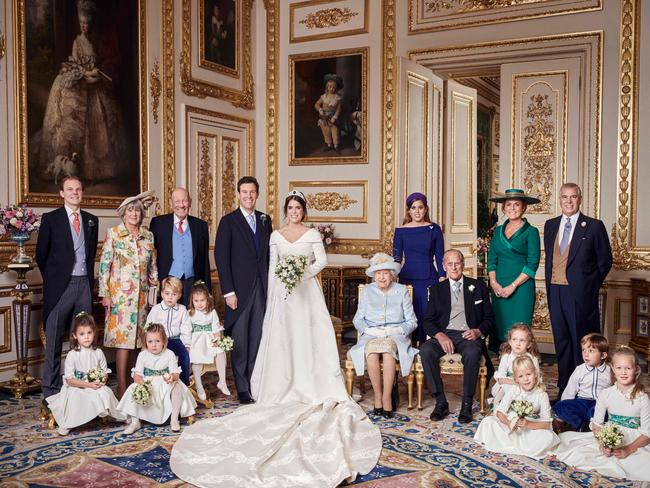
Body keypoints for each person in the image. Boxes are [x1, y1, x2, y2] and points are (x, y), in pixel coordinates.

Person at [170, 190, 381, 487]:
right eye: (290, 207)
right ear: (286, 210)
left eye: (298, 208)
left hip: (306, 294)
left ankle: (310, 382)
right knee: (283, 340)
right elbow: (271, 268)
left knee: (308, 339)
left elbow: (321, 261)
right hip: (283, 296)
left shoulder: (311, 234)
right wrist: (274, 295)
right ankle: (282, 382)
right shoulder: (276, 234)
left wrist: (302, 272)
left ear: (303, 211)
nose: (294, 211)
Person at [31, 0, 127, 183]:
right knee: (74, 122)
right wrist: (87, 73)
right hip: (82, 82)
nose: (84, 26)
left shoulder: (92, 41)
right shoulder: (78, 41)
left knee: (99, 122)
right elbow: (76, 64)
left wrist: (96, 73)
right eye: (82, 23)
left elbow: (95, 63)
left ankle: (97, 169)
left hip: (94, 85)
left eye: (87, 24)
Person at [544, 183, 612, 393]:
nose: (569, 201)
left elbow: (605, 261)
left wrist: (588, 286)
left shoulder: (593, 226)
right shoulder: (550, 225)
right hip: (555, 291)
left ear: (580, 199)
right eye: (565, 197)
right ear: (560, 199)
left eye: (573, 197)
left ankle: (584, 390)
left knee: (581, 342)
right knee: (562, 341)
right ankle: (565, 389)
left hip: (580, 294)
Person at [36, 176, 99, 400]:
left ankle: (82, 391)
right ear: (61, 193)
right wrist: (55, 280)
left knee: (84, 340)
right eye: (69, 189)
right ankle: (50, 394)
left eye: (78, 189)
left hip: (84, 284)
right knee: (53, 340)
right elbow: (41, 255)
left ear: (82, 192)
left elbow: (90, 255)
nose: (74, 193)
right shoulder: (51, 219)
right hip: (60, 287)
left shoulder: (92, 220)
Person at [214, 176, 272, 404]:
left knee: (257, 338)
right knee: (239, 340)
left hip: (262, 287)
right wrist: (228, 292)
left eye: (252, 192)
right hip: (238, 291)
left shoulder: (265, 220)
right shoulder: (228, 222)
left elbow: (269, 255)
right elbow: (221, 257)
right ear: (238, 194)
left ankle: (254, 383)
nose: (248, 196)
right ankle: (242, 389)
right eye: (244, 192)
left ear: (257, 194)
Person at [420, 249, 495, 424]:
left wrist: (477, 331)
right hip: (445, 334)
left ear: (463, 265)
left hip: (468, 335)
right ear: (444, 267)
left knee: (471, 353)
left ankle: (467, 404)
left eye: (457, 263)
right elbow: (428, 321)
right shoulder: (436, 289)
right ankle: (440, 402)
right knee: (425, 350)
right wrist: (440, 336)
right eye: (450, 264)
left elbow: (490, 319)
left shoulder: (478, 287)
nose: (454, 267)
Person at [554, 346, 650, 481]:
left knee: (641, 465)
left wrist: (629, 449)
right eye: (619, 368)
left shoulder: (642, 397)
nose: (623, 372)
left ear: (636, 370)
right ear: (613, 369)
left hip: (634, 438)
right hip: (609, 434)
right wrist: (602, 443)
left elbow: (647, 433)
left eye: (628, 368)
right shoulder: (606, 394)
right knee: (578, 453)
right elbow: (597, 424)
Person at [99, 190, 158, 397]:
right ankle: (122, 386)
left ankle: (134, 383)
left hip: (142, 298)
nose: (134, 214)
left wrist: (153, 296)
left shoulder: (148, 235)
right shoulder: (114, 233)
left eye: (138, 211)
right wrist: (105, 294)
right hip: (120, 298)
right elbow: (104, 266)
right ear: (124, 213)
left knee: (137, 342)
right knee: (123, 342)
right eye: (130, 211)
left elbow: (153, 269)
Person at [350, 252, 418, 418]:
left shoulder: (401, 291)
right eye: (378, 273)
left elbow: (412, 321)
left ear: (392, 275)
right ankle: (378, 397)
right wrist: (370, 331)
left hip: (395, 335)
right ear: (374, 276)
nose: (382, 277)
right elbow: (358, 320)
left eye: (385, 273)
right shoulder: (367, 291)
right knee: (372, 353)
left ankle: (387, 397)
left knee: (388, 353)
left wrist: (394, 331)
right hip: (372, 334)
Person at [46, 312, 125, 436]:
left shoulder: (98, 352)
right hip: (77, 385)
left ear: (94, 333)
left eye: (89, 333)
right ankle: (67, 423)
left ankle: (117, 416)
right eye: (82, 334)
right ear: (75, 335)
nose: (86, 337)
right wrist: (88, 385)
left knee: (105, 392)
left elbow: (105, 372)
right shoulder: (72, 355)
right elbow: (70, 380)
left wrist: (101, 381)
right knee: (75, 396)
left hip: (94, 384)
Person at [474, 354, 559, 459]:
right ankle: (513, 444)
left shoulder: (541, 394)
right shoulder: (514, 390)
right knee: (488, 422)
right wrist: (509, 423)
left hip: (530, 427)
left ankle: (515, 445)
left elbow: (546, 423)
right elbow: (500, 412)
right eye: (521, 376)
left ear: (535, 374)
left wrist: (527, 424)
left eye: (529, 374)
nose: (526, 379)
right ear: (516, 379)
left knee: (548, 437)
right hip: (511, 425)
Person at [488, 188, 541, 352]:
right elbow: (492, 260)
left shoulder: (531, 232)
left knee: (519, 330)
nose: (512, 208)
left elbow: (533, 264)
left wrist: (513, 286)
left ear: (523, 207)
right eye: (508, 204)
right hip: (499, 287)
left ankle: (521, 369)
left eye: (516, 204)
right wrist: (494, 282)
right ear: (503, 208)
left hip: (520, 288)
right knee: (501, 329)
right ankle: (504, 368)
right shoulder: (497, 231)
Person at [118, 323, 196, 434]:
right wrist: (141, 383)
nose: (154, 345)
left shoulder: (169, 354)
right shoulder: (143, 355)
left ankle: (174, 419)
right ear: (146, 342)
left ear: (164, 341)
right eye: (150, 342)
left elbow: (176, 373)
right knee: (133, 388)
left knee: (177, 387)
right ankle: (135, 421)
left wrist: (172, 378)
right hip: (148, 382)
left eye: (157, 341)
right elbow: (137, 374)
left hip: (165, 382)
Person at [392, 192, 445, 343]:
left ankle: (428, 346)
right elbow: (397, 258)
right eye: (413, 208)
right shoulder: (401, 231)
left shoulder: (434, 229)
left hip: (429, 277)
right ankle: (408, 345)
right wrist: (394, 278)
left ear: (426, 209)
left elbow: (440, 256)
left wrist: (442, 277)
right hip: (407, 277)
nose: (417, 211)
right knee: (409, 311)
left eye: (420, 207)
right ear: (409, 210)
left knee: (428, 312)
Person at [149, 188, 212, 305]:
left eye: (184, 201)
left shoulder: (201, 226)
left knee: (191, 317)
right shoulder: (158, 224)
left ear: (190, 202)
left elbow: (205, 261)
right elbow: (150, 255)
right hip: (167, 282)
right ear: (171, 203)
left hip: (192, 282)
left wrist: (207, 289)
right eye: (177, 201)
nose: (181, 205)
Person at [553, 333, 611, 433]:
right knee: (559, 406)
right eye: (583, 350)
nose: (586, 354)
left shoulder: (609, 372)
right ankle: (581, 425)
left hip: (599, 404)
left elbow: (615, 390)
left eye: (591, 351)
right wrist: (563, 410)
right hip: (581, 402)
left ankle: (593, 426)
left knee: (599, 411)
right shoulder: (580, 370)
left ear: (603, 355)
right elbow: (570, 390)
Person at [185, 281, 230, 401]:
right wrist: (187, 345)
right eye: (196, 301)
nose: (199, 304)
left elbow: (216, 328)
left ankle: (222, 381)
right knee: (196, 359)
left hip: (209, 339)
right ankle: (199, 386)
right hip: (196, 340)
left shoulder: (212, 312)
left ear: (207, 300)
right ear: (192, 301)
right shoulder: (189, 313)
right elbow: (186, 330)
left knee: (220, 352)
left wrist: (217, 339)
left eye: (202, 300)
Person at [146, 277, 191, 386]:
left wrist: (187, 344)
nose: (170, 297)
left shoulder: (182, 309)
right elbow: (148, 326)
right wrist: (150, 343)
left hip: (176, 340)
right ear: (161, 294)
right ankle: (158, 382)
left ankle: (184, 384)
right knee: (159, 357)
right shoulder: (156, 309)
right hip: (160, 340)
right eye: (167, 293)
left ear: (179, 296)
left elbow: (186, 328)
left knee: (184, 355)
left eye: (174, 294)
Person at [491, 324, 540, 410]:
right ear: (510, 342)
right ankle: (498, 409)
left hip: (527, 384)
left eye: (522, 340)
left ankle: (522, 409)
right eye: (514, 339)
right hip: (508, 384)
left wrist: (524, 384)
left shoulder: (532, 359)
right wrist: (516, 383)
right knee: (502, 393)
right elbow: (501, 379)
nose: (518, 343)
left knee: (534, 400)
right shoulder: (506, 357)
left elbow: (537, 378)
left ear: (528, 344)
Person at [314, 74, 343, 153]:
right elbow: (316, 104)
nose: (332, 89)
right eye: (330, 87)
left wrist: (335, 117)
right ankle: (329, 145)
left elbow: (339, 108)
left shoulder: (337, 97)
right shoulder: (323, 97)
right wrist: (320, 109)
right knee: (326, 131)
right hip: (323, 117)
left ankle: (336, 145)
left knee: (335, 131)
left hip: (333, 117)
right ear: (327, 87)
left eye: (334, 87)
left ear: (336, 88)